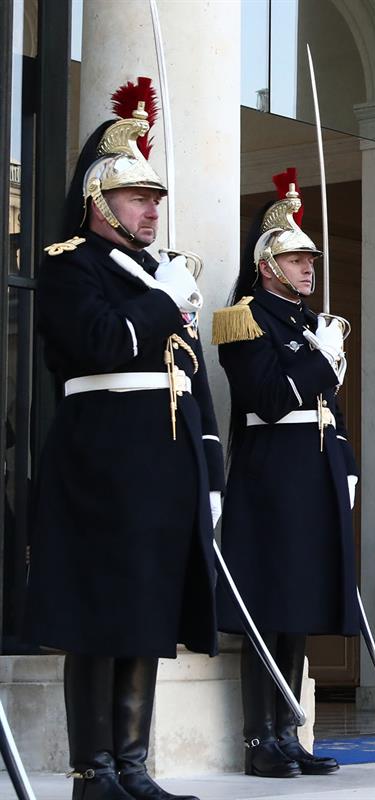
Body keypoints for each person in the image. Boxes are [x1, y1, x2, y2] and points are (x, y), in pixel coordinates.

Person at [24, 78, 220, 800]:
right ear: (100, 201)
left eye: (156, 199)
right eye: (139, 197)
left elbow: (189, 376)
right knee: (100, 614)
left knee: (148, 611)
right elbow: (103, 343)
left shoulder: (155, 273)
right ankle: (94, 770)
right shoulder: (68, 263)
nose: (152, 209)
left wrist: (211, 467)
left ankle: (135, 766)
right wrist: (162, 299)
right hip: (101, 459)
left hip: (163, 463)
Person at [210, 169, 357, 778]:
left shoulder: (303, 322)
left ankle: (289, 730)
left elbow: (332, 410)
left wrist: (344, 463)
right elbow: (269, 398)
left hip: (313, 473)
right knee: (268, 609)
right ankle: (258, 741)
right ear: (267, 263)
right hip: (271, 476)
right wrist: (324, 361)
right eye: (296, 258)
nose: (308, 267)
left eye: (310, 258)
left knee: (297, 608)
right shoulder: (245, 318)